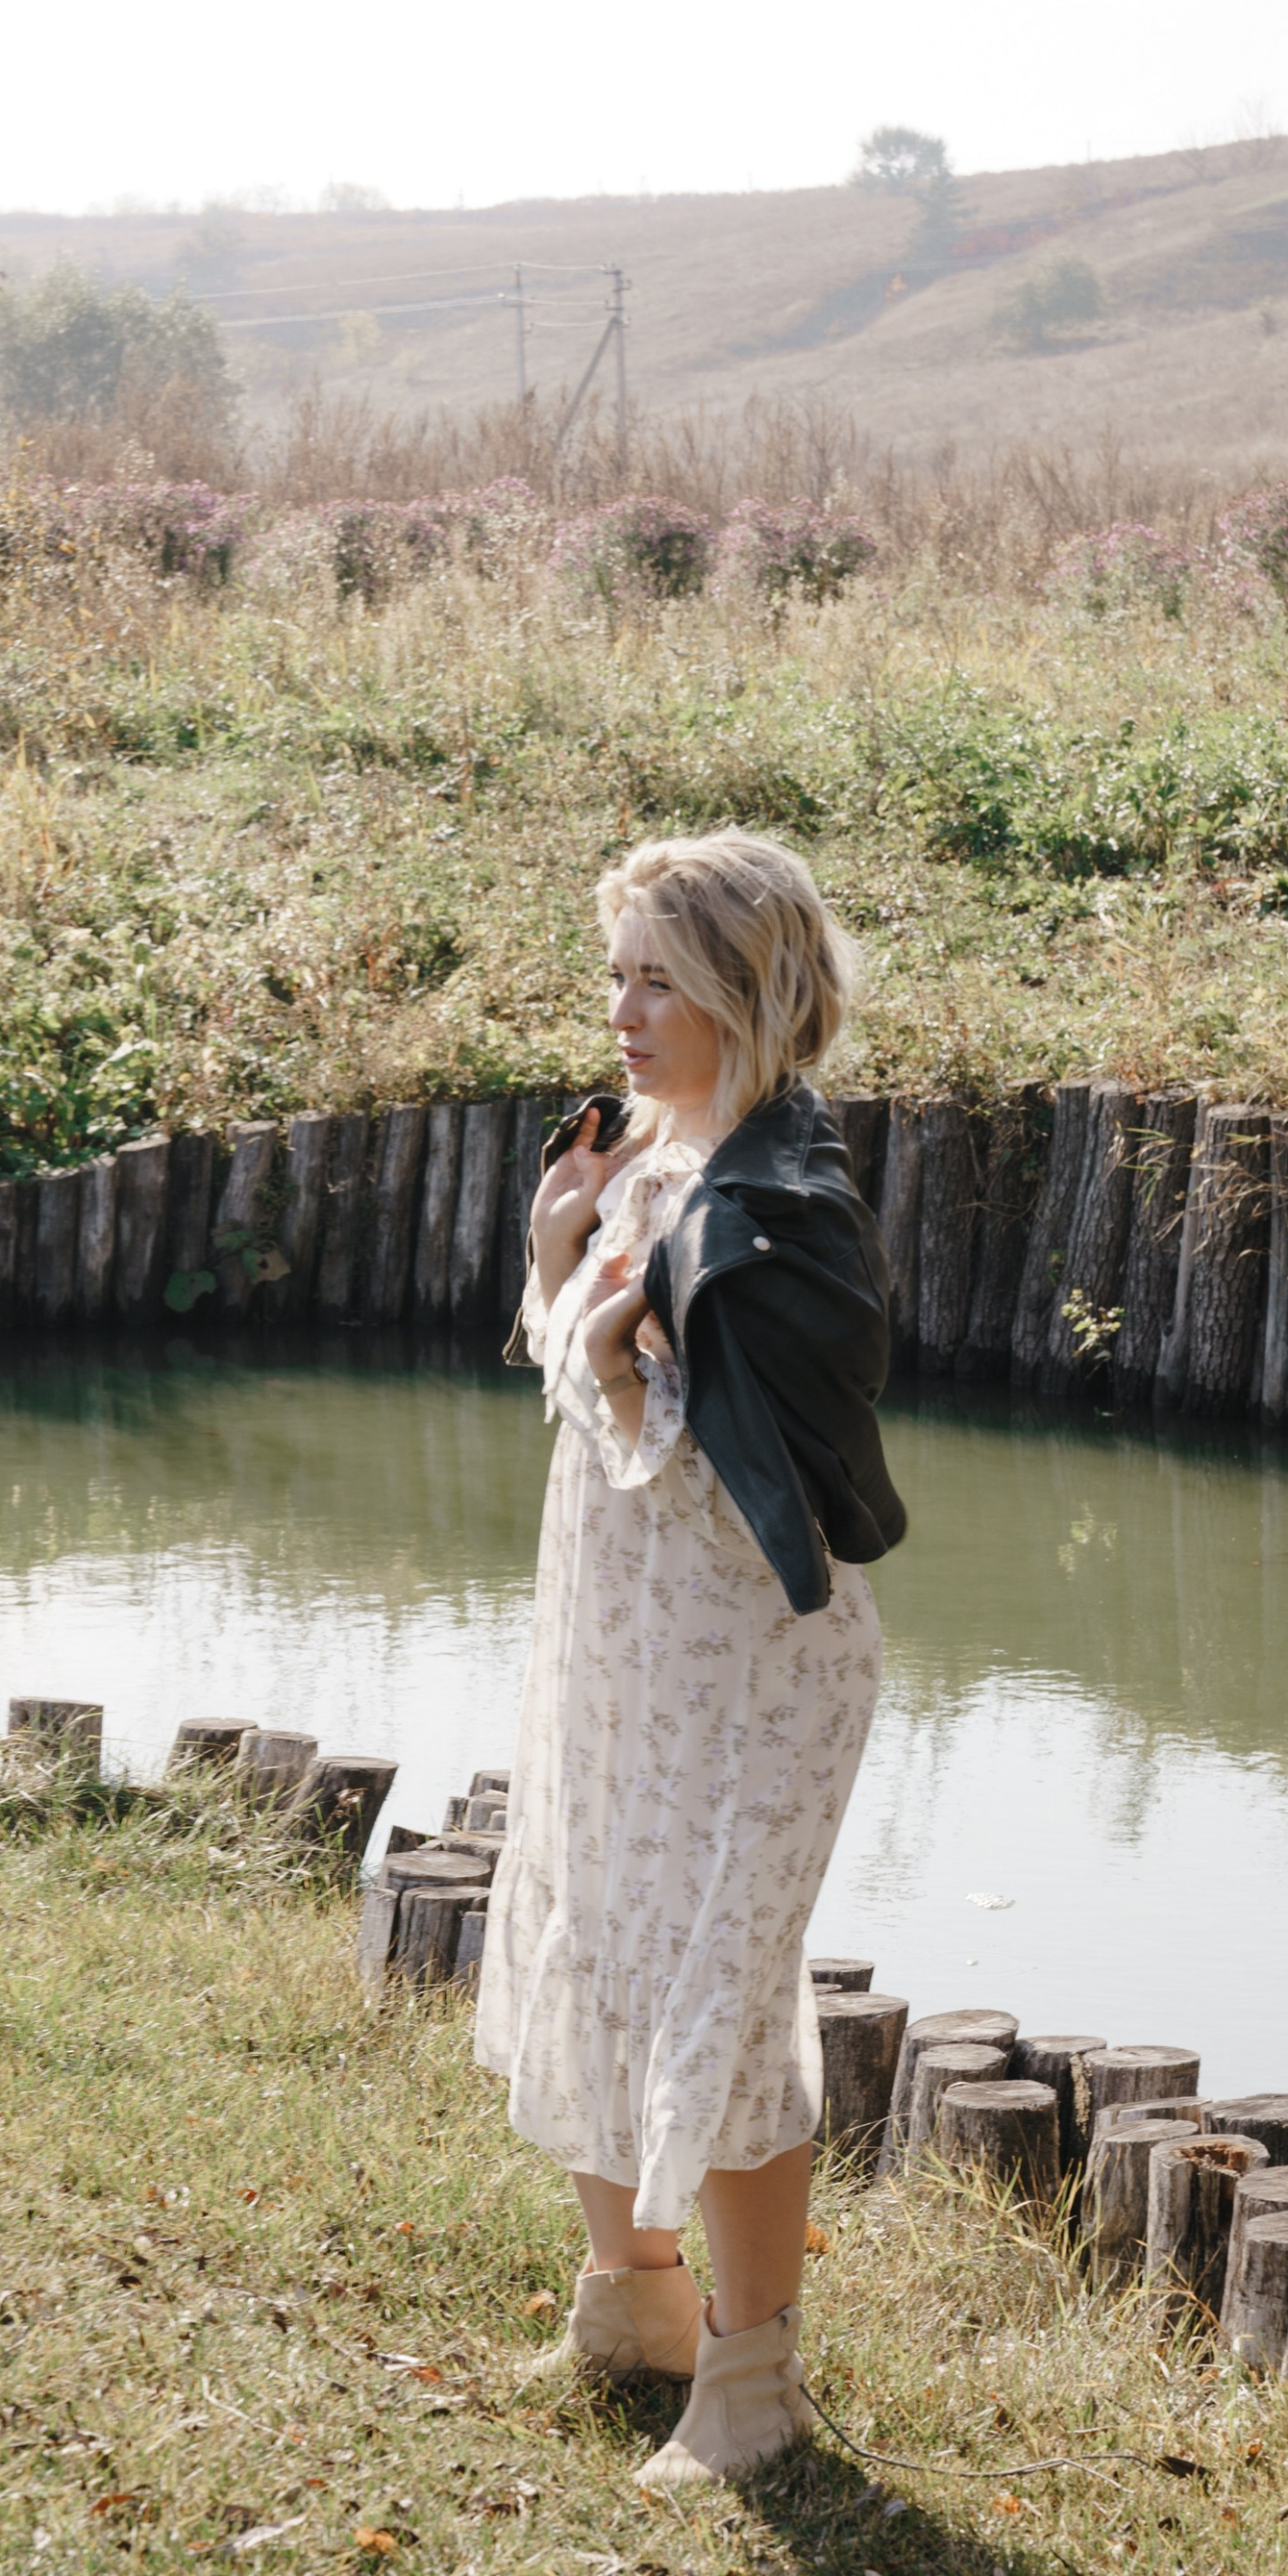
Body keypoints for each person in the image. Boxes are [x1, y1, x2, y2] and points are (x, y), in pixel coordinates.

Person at [473, 828, 906, 2488]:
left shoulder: (781, 1208)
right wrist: (554, 1260)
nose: (626, 1007)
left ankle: (750, 2383)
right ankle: (630, 2302)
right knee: (595, 1924)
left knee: (716, 1983)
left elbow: (698, 1456)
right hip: (614, 1625)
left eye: (663, 976)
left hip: (746, 1655)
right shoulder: (647, 1153)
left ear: (749, 986)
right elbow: (580, 1393)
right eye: (619, 973)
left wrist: (608, 1349)